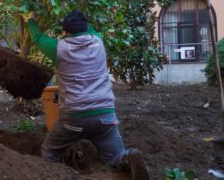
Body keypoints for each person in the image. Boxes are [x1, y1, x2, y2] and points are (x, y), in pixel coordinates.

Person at [25, 10, 149, 180]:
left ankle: (50, 174)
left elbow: (37, 38)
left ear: (65, 32)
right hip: (105, 117)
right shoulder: (98, 40)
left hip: (73, 118)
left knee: (49, 150)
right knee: (115, 156)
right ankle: (128, 157)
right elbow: (88, 28)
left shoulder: (58, 48)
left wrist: (30, 21)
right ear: (86, 27)